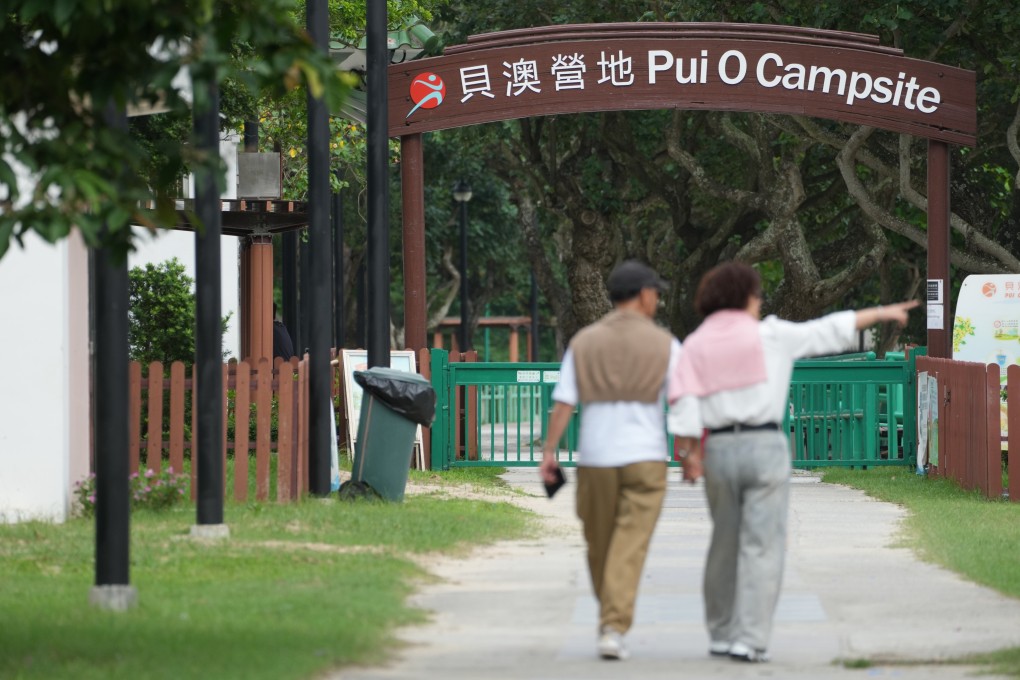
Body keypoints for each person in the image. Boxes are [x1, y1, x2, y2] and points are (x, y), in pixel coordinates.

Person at [666, 261, 917, 663]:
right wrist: (881, 313)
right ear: (747, 297)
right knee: (762, 546)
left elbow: (683, 402)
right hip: (764, 446)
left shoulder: (696, 343)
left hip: (719, 452)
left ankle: (720, 632)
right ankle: (750, 639)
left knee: (724, 542)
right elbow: (828, 329)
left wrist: (689, 455)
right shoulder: (772, 335)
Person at [539, 260, 682, 661]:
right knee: (628, 544)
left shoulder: (584, 341)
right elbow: (683, 401)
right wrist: (689, 452)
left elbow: (564, 401)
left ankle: (612, 622)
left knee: (599, 543)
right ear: (643, 295)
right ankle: (613, 622)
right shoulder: (667, 345)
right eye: (656, 292)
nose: (658, 298)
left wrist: (549, 452)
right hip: (646, 457)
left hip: (596, 458)